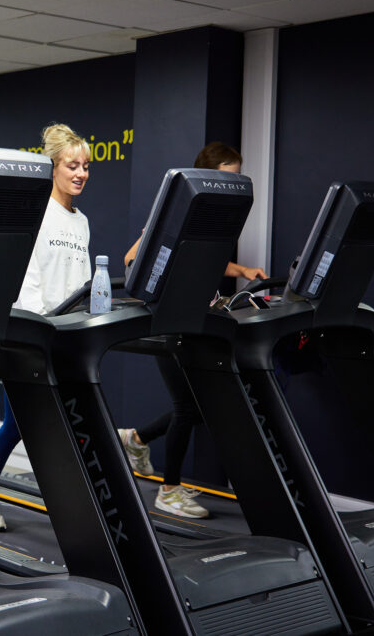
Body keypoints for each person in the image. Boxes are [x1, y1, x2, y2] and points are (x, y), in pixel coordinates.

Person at [117, 142, 267, 519]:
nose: (233, 187)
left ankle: (137, 438)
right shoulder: (177, 211)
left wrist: (244, 272)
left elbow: (211, 260)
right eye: (228, 178)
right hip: (173, 320)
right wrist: (168, 286)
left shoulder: (217, 218)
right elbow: (133, 258)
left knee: (201, 406)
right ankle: (169, 490)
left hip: (202, 319)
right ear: (209, 176)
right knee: (189, 406)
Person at [0, 123, 92, 532]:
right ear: (53, 167)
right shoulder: (37, 213)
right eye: (73, 165)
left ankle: (70, 501)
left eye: (86, 166)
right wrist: (38, 332)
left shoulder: (81, 221)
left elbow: (83, 281)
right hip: (29, 335)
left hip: (67, 337)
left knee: (66, 424)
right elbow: (27, 278)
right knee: (17, 424)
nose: (81, 173)